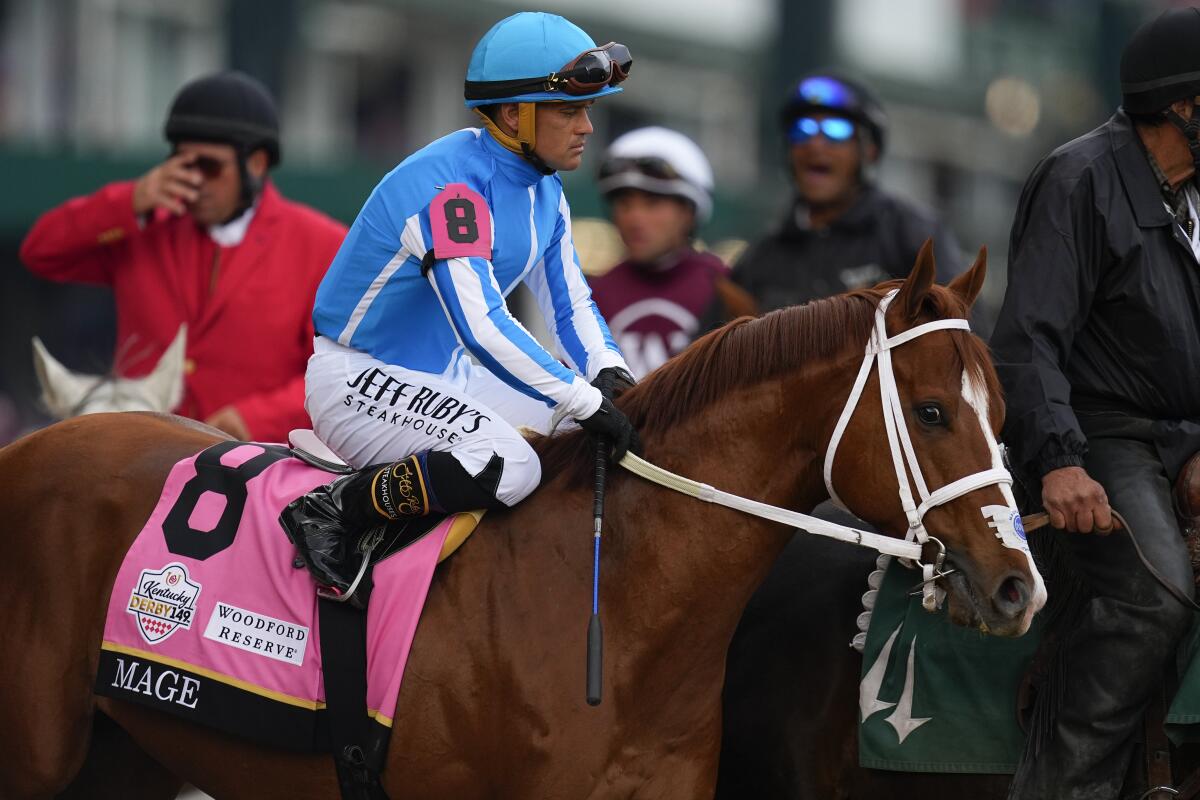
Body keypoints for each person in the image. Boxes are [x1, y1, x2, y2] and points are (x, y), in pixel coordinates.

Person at [280, 12, 639, 596]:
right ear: (511, 114)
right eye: (571, 111)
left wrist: (610, 375)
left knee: (581, 428)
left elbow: (571, 304)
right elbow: (482, 326)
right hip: (357, 380)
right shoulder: (453, 190)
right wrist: (580, 395)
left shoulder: (544, 186)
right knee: (513, 465)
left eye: (589, 111)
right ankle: (335, 510)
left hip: (442, 376)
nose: (586, 128)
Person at [991, 8, 1200, 799]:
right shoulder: (1080, 178)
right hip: (1101, 435)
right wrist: (1059, 462)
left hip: (1182, 436)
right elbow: (1028, 341)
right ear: (1184, 106)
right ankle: (1062, 784)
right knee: (1155, 594)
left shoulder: (1192, 195)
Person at [19, 71, 346, 442]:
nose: (195, 181)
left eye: (209, 167)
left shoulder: (323, 244)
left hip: (255, 465)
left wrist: (255, 418)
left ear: (255, 164)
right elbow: (40, 251)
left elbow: (340, 373)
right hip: (139, 461)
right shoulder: (143, 227)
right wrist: (129, 202)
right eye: (181, 163)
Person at [733, 71, 962, 312]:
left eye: (836, 129)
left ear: (870, 150)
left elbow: (963, 332)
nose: (815, 143)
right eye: (802, 130)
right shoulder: (762, 259)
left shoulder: (911, 235)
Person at [588, 126, 756, 378]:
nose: (634, 218)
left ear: (690, 212)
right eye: (624, 204)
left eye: (652, 203)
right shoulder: (590, 296)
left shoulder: (727, 289)